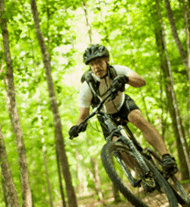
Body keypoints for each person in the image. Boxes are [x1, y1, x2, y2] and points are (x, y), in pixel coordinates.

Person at [68, 44, 178, 177]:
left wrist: (126, 79)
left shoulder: (117, 70)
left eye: (98, 62)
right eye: (92, 64)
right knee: (116, 144)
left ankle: (166, 157)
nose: (96, 67)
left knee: (138, 119)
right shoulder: (87, 87)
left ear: (107, 60)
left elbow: (141, 81)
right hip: (105, 115)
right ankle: (143, 175)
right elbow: (83, 115)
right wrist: (76, 127)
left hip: (123, 104)